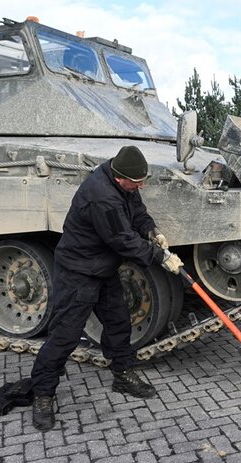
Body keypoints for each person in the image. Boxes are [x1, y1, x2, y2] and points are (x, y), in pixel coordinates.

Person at [29, 145, 184, 431]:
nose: (141, 186)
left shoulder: (122, 179)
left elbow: (137, 211)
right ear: (119, 178)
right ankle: (42, 394)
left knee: (118, 321)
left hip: (103, 266)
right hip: (79, 271)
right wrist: (161, 257)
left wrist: (152, 230)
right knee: (65, 335)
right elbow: (123, 240)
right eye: (136, 183)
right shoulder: (102, 197)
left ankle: (122, 374)